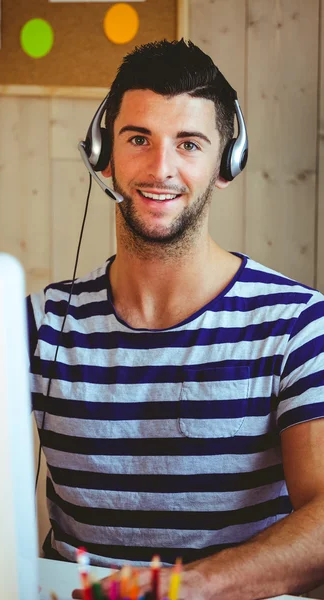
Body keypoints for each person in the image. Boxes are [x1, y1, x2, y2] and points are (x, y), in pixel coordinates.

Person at [27, 39, 324, 599]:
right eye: (139, 138)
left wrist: (188, 587)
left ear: (225, 164)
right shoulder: (40, 323)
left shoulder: (299, 325)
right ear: (103, 153)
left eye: (189, 144)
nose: (161, 168)